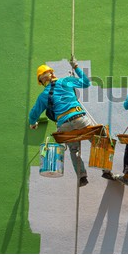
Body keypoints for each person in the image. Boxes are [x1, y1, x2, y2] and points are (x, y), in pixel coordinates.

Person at [29, 59, 93, 187]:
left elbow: (33, 114)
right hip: (79, 117)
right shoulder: (66, 81)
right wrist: (76, 67)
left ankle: (82, 177)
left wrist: (33, 123)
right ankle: (106, 169)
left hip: (64, 125)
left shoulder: (44, 95)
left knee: (74, 150)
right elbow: (86, 83)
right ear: (52, 74)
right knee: (98, 140)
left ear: (42, 81)